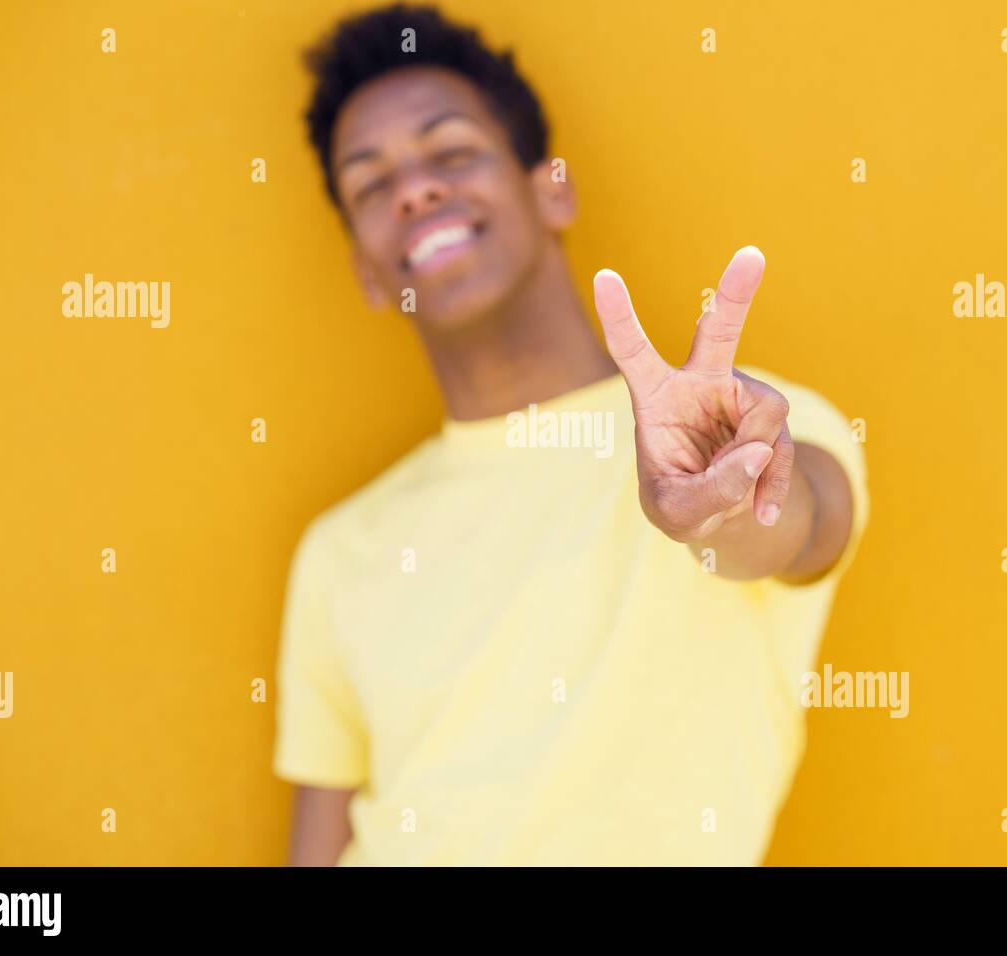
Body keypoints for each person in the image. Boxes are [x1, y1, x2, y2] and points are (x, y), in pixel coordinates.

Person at [273, 2, 868, 865]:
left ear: (551, 188)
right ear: (368, 270)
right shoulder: (338, 551)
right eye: (371, 185)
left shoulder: (753, 430)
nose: (414, 190)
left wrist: (718, 503)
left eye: (451, 151)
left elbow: (790, 526)